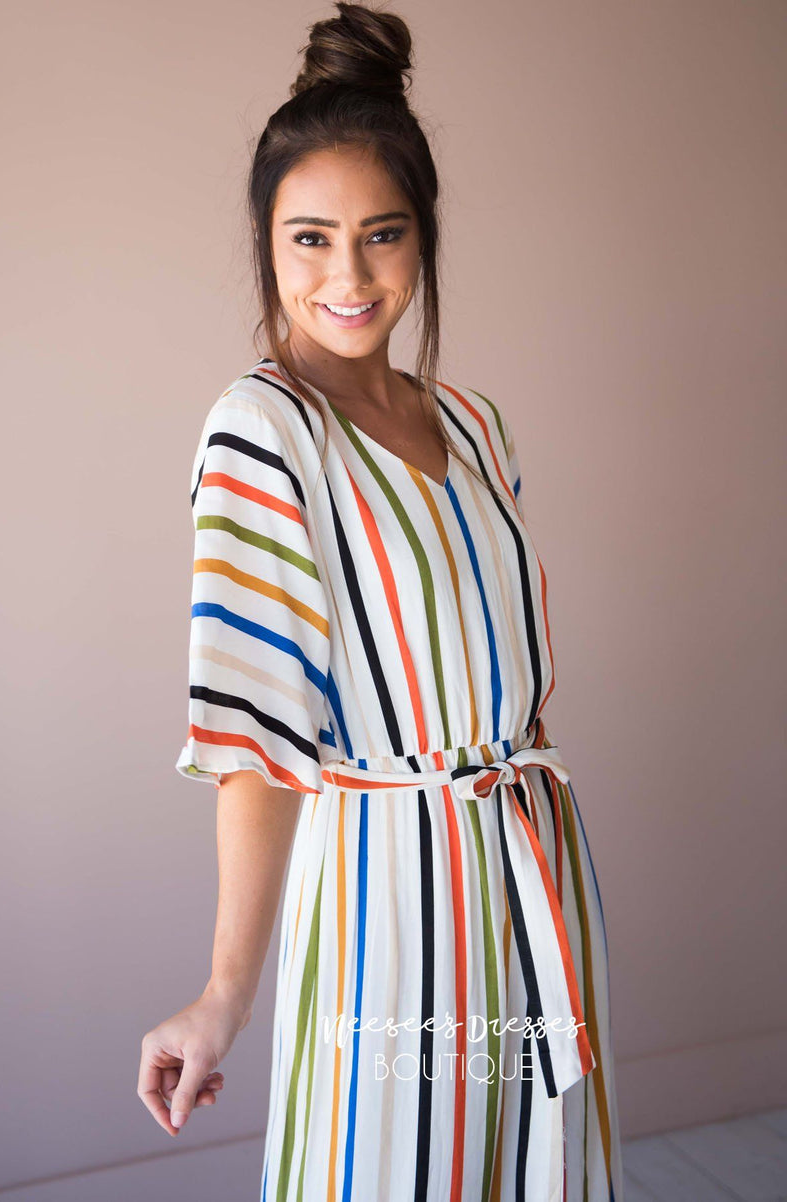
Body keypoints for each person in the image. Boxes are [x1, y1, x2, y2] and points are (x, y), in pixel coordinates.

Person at [137, 3, 624, 1198]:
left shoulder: (473, 423)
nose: (347, 276)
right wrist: (223, 992)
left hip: (533, 874)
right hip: (389, 904)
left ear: (422, 239)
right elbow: (255, 738)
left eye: (381, 234)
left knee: (539, 1168)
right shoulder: (261, 432)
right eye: (309, 238)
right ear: (266, 242)